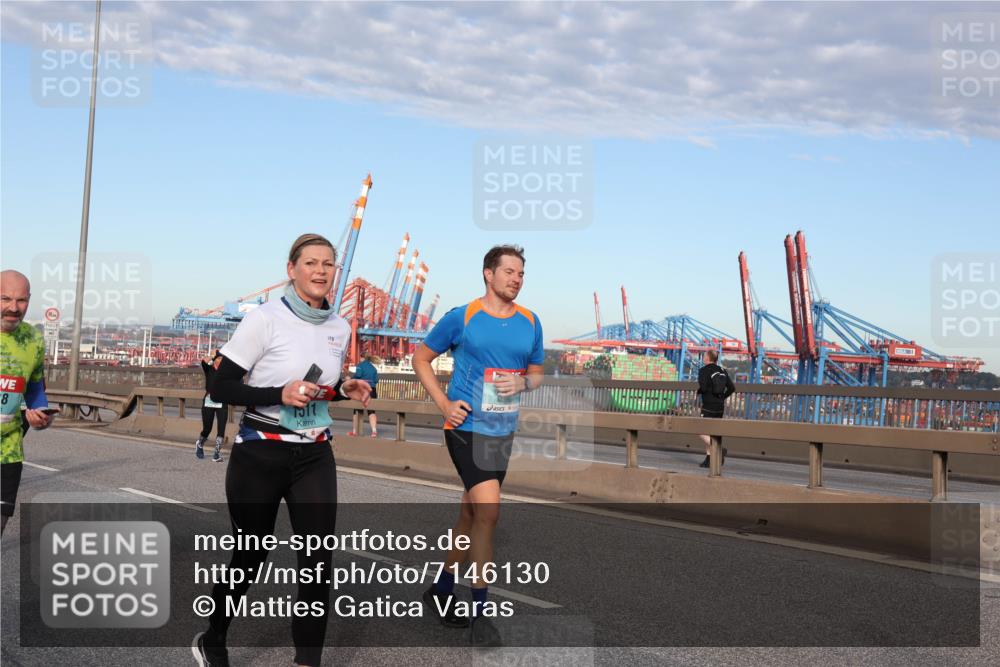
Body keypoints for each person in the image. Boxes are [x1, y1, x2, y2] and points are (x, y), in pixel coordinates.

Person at [191, 234, 371, 667]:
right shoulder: (264, 319)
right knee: (251, 554)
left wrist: (343, 389)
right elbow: (219, 386)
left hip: (313, 454)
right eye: (311, 263)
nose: (321, 271)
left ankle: (306, 661)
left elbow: (317, 390)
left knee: (317, 561)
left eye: (328, 264)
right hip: (260, 454)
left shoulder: (339, 326)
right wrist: (278, 392)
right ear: (291, 269)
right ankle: (213, 637)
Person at [412, 245, 544, 647]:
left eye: (521, 273)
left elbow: (537, 373)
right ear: (489, 274)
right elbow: (421, 358)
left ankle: (441, 590)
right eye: (509, 271)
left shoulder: (530, 322)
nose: (516, 279)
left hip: (502, 431)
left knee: (471, 515)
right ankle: (481, 615)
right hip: (465, 427)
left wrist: (522, 382)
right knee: (489, 512)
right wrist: (444, 404)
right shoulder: (461, 317)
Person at [1, 270, 54, 534]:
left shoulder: (33, 339)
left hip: (8, 453)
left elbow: (35, 391)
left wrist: (41, 416)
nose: (13, 307)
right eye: (5, 299)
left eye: (21, 300)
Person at [696, 349, 735, 468]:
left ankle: (719, 449)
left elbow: (703, 387)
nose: (703, 358)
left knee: (700, 431)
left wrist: (699, 391)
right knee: (712, 433)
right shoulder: (722, 370)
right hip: (719, 406)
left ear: (707, 358)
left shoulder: (703, 370)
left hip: (708, 405)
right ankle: (709, 460)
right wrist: (722, 397)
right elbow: (732, 388)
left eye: (704, 356)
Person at [196, 349, 227, 462]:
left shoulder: (225, 373)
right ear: (215, 360)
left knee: (221, 429)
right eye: (219, 359)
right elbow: (203, 361)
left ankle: (216, 454)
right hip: (208, 401)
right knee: (207, 429)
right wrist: (213, 355)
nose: (221, 361)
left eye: (222, 359)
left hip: (222, 402)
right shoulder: (208, 369)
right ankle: (200, 444)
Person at [348, 354, 380, 438]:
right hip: (372, 389)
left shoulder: (360, 366)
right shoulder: (373, 368)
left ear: (362, 358)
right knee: (371, 411)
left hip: (361, 389)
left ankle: (355, 431)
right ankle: (374, 431)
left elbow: (358, 375)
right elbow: (376, 380)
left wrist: (351, 379)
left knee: (356, 410)